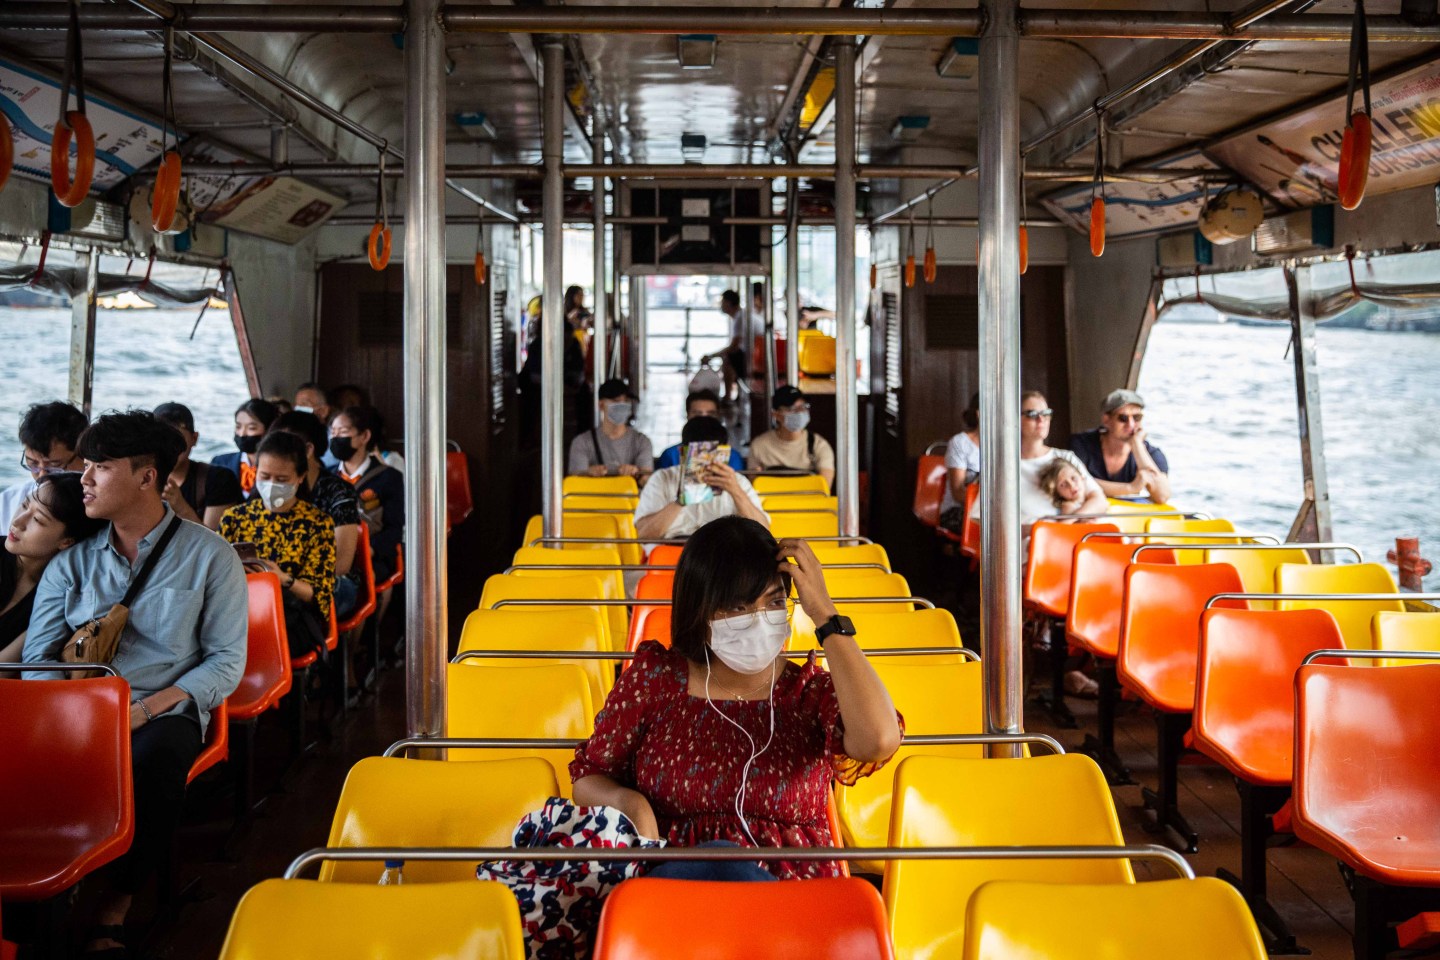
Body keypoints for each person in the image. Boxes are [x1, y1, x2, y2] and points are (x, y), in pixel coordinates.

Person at [23, 410, 247, 955]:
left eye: (100, 466)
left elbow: (223, 663)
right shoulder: (72, 563)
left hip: (161, 709)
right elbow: (36, 661)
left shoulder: (210, 558)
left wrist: (141, 713)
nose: (85, 479)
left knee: (157, 758)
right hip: (76, 709)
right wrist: (77, 715)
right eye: (87, 464)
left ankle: (116, 903)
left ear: (147, 477)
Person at [570, 517, 903, 879]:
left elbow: (879, 739)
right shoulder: (656, 679)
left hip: (792, 904)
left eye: (774, 602)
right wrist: (628, 802)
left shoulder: (808, 691)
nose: (759, 620)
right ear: (700, 609)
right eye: (737, 607)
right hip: (672, 892)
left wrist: (825, 614)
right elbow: (589, 777)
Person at [219, 431, 336, 659]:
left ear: (300, 477)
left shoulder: (317, 523)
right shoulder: (234, 518)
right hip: (238, 611)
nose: (271, 485)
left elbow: (319, 594)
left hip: (289, 615)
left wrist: (283, 579)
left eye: (282, 480)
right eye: (265, 476)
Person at [0, 473, 104, 662]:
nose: (17, 522)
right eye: (24, 505)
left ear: (67, 541)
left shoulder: (61, 594)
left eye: (38, 520)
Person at [268, 411, 362, 618]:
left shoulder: (338, 491)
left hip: (328, 579)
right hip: (276, 578)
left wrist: (290, 580)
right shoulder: (266, 490)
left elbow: (341, 564)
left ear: (309, 449)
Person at [634, 416, 768, 541]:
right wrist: (680, 502)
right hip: (672, 551)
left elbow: (764, 530)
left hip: (722, 553)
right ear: (683, 454)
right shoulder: (661, 479)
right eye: (700, 456)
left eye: (714, 455)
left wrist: (735, 491)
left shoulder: (737, 481)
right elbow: (644, 534)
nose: (707, 464)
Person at [329, 406, 405, 585]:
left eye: (343, 432)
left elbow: (394, 527)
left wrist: (370, 550)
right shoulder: (328, 478)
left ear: (364, 436)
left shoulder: (388, 477)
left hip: (375, 554)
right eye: (333, 432)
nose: (336, 438)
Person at [1019, 391, 1106, 531]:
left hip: (1071, 534)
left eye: (1046, 413)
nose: (1041, 420)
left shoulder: (1066, 458)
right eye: (1032, 415)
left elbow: (1099, 500)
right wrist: (1040, 530)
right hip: (1031, 541)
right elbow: (980, 520)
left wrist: (1067, 522)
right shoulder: (1006, 466)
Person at [1068, 388, 1172, 504]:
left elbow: (1162, 496)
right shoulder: (1082, 443)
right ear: (1106, 420)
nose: (1131, 424)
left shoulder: (1151, 453)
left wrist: (1137, 444)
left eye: (1137, 417)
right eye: (1123, 418)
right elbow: (1077, 484)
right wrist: (1131, 488)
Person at [0, 401, 87, 533]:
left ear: (84, 456)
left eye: (55, 466)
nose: (42, 476)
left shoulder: (100, 508)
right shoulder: (7, 503)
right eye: (33, 464)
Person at [153, 402, 243, 530]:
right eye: (161, 439)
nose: (168, 447)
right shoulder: (143, 479)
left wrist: (181, 508)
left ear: (194, 438)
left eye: (176, 440)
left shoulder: (219, 479)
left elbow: (217, 543)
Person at [747, 386, 836, 491]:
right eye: (792, 409)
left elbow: (824, 489)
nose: (799, 413)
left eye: (803, 407)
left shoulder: (818, 445)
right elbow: (754, 491)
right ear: (776, 414)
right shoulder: (759, 446)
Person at [566, 379, 654, 480]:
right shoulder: (582, 443)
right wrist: (588, 473)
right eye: (616, 401)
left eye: (626, 401)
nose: (622, 405)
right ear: (601, 405)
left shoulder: (642, 442)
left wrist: (637, 473)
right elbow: (575, 484)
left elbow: (647, 482)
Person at [654, 389, 745, 471]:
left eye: (710, 414)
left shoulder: (732, 457)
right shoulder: (671, 455)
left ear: (718, 416)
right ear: (688, 415)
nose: (704, 419)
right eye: (697, 414)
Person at [212, 398, 281, 498]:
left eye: (251, 428)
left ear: (269, 430)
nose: (242, 434)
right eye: (238, 427)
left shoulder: (281, 466)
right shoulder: (220, 462)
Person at [938, 393, 980, 532]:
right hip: (957, 510)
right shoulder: (960, 443)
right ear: (979, 414)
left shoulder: (1008, 445)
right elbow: (958, 493)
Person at [699, 289, 747, 402]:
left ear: (729, 303)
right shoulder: (740, 316)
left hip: (752, 356)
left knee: (728, 359)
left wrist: (711, 356)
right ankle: (730, 395)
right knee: (728, 357)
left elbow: (733, 347)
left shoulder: (740, 318)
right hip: (750, 354)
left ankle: (727, 397)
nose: (720, 305)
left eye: (722, 302)